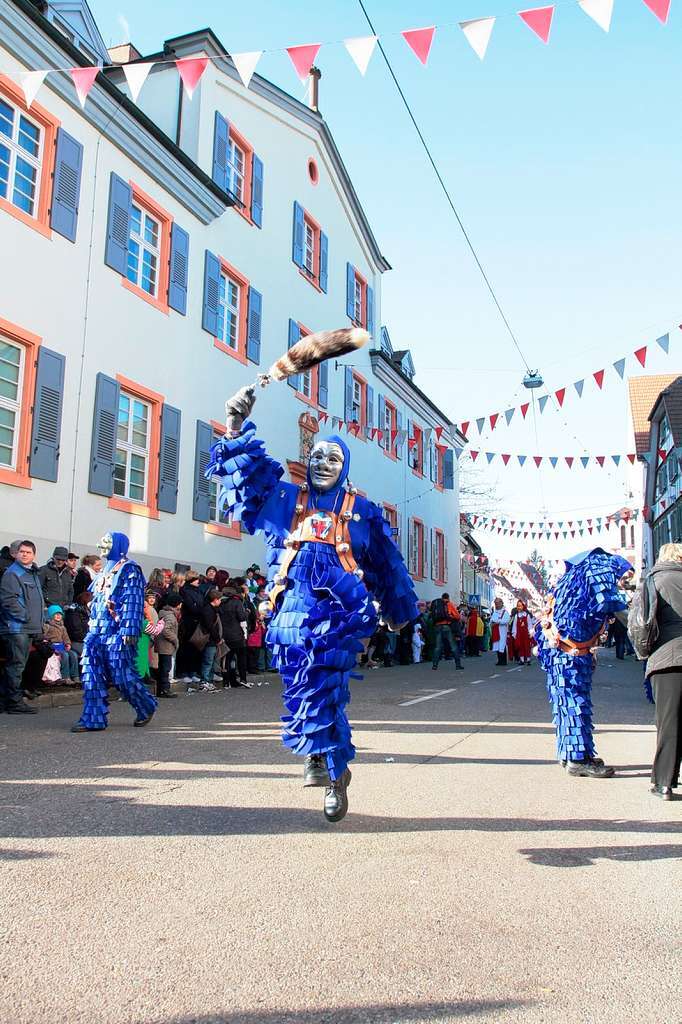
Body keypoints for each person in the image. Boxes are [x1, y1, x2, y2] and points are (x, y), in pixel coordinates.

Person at [207, 384, 418, 821]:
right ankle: (332, 767)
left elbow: (387, 564)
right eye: (317, 456)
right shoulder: (286, 499)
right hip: (290, 615)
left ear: (345, 467)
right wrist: (233, 425)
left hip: (341, 613)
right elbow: (245, 476)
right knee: (304, 684)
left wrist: (400, 613)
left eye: (333, 458)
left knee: (326, 683)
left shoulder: (364, 511)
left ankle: (322, 763)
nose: (323, 463)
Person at [536, 547, 632, 779]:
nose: (619, 580)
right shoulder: (597, 571)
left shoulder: (568, 581)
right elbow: (616, 608)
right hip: (571, 654)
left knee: (566, 702)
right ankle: (578, 759)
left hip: (559, 652)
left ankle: (570, 753)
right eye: (619, 576)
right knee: (576, 702)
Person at [71, 532, 157, 732]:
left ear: (117, 545)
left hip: (117, 633)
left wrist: (128, 629)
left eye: (106, 542)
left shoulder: (130, 569)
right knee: (91, 674)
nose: (101, 545)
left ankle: (145, 705)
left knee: (122, 675)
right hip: (96, 631)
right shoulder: (102, 572)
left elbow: (133, 601)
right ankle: (93, 718)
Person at [643, 542, 682, 800]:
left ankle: (664, 782)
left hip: (667, 656)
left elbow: (642, 621)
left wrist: (644, 652)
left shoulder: (654, 580)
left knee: (668, 720)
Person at [0, 540, 44, 714]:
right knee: (16, 665)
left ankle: (6, 701)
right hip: (17, 628)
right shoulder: (13, 574)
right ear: (16, 554)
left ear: (34, 555)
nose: (25, 554)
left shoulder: (32, 573)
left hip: (27, 628)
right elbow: (8, 601)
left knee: (18, 665)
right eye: (22, 552)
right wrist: (26, 617)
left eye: (28, 552)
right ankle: (14, 703)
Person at [219, 581, 250, 688]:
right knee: (241, 658)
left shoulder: (221, 603)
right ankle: (243, 679)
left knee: (227, 659)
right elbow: (242, 618)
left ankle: (227, 681)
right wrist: (246, 613)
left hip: (224, 635)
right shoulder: (237, 603)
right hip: (237, 634)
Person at [176, 571, 204, 683]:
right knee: (186, 648)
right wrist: (197, 608)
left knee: (194, 648)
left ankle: (192, 671)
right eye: (196, 579)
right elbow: (192, 607)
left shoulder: (198, 591)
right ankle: (184, 672)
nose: (198, 581)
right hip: (188, 623)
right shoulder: (185, 591)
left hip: (197, 622)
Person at [43, 605, 79, 682]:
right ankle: (65, 676)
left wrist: (68, 644)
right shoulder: (47, 626)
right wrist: (48, 645)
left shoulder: (62, 627)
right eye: (56, 614)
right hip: (53, 647)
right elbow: (44, 637)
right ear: (51, 615)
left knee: (73, 654)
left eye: (60, 614)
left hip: (62, 646)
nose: (58, 616)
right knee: (64, 656)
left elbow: (66, 637)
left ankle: (75, 675)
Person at [197, 588, 223, 691]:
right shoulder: (208, 610)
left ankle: (209, 681)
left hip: (212, 639)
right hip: (209, 639)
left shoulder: (211, 609)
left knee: (211, 661)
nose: (220, 601)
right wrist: (217, 638)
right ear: (215, 599)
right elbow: (210, 626)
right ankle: (204, 681)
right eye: (219, 599)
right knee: (208, 661)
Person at [156, 591, 180, 698]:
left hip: (161, 645)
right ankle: (165, 689)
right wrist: (175, 639)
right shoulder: (170, 616)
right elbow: (166, 630)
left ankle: (161, 689)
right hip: (166, 646)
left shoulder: (162, 613)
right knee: (166, 668)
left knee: (162, 667)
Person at [431, 592, 463, 670]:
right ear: (448, 598)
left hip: (438, 626)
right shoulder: (449, 604)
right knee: (453, 646)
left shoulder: (436, 604)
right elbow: (457, 616)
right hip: (447, 626)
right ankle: (458, 665)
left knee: (437, 647)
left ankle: (434, 665)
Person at [64, 591, 92, 661]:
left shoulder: (88, 611)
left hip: (86, 640)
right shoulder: (74, 612)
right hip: (78, 642)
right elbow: (76, 632)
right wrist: (86, 638)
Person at [511, 600, 533, 665]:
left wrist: (530, 632)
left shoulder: (527, 615)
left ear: (523, 606)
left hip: (526, 633)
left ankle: (528, 659)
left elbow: (529, 625)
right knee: (520, 646)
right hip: (519, 634)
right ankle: (522, 659)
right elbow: (514, 625)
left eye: (520, 606)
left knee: (527, 646)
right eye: (518, 606)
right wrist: (514, 633)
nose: (519, 607)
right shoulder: (516, 616)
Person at [490, 599, 511, 666]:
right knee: (497, 646)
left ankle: (503, 661)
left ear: (501, 603)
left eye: (498, 603)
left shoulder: (505, 612)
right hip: (496, 631)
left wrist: (498, 621)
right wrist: (493, 622)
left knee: (502, 646)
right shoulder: (495, 612)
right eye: (495, 603)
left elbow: (507, 620)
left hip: (502, 631)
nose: (497, 605)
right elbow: (491, 620)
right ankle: (499, 660)